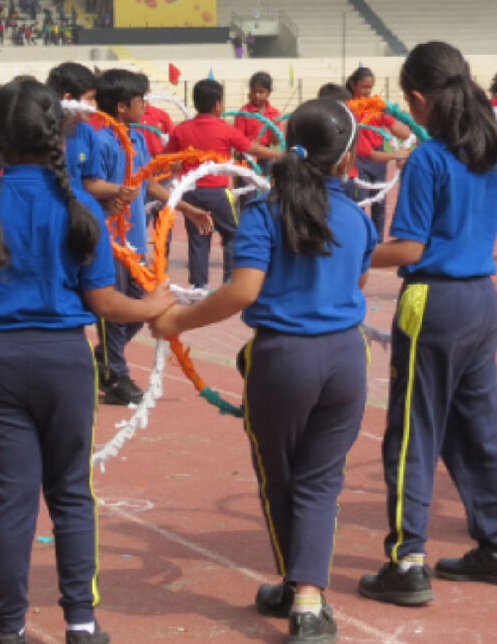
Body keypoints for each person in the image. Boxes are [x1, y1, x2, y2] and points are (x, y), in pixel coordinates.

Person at [0, 77, 175, 644]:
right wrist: (153, 305)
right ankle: (81, 622)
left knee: (11, 498)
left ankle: (10, 626)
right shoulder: (79, 205)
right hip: (64, 362)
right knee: (71, 493)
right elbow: (104, 303)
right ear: (57, 135)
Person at [152, 98, 376, 644]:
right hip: (347, 358)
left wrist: (175, 320)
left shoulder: (263, 213)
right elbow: (358, 284)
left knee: (281, 475)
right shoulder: (356, 217)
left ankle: (298, 589)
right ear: (348, 161)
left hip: (284, 358)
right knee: (321, 480)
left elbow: (243, 290)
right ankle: (307, 598)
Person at [357, 41, 497, 606]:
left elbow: (410, 247)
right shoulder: (488, 150)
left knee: (413, 431)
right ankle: (493, 542)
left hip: (433, 301)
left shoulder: (429, 159)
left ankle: (407, 559)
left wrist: (349, 252)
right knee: (478, 428)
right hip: (481, 298)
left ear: (416, 99)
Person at [88, 69, 212, 405]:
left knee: (143, 306)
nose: (146, 105)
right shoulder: (101, 142)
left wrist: (186, 207)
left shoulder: (139, 140)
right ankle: (116, 376)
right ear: (122, 106)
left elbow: (149, 184)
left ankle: (104, 358)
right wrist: (117, 191)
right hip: (110, 242)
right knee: (115, 311)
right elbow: (89, 184)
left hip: (136, 241)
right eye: (140, 100)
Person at [163, 79, 281, 290]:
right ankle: (230, 282)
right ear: (218, 105)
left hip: (190, 193)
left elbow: (165, 158)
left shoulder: (181, 129)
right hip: (218, 193)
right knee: (232, 234)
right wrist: (281, 155)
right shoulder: (225, 129)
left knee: (198, 238)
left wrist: (181, 165)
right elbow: (252, 149)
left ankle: (198, 286)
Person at [345, 66, 411, 242]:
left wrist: (414, 135)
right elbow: (369, 153)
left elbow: (395, 127)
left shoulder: (375, 106)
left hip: (379, 162)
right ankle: (360, 242)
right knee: (360, 204)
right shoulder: (349, 109)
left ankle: (378, 243)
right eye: (363, 87)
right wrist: (399, 155)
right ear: (353, 85)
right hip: (360, 161)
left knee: (379, 206)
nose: (367, 91)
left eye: (370, 87)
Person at [234, 71, 282, 175]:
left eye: (261, 92)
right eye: (254, 92)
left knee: (264, 182)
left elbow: (275, 142)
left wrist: (273, 127)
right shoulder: (243, 113)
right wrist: (250, 145)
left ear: (269, 92)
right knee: (247, 183)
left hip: (265, 155)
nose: (257, 95)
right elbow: (238, 140)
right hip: (247, 155)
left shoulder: (274, 113)